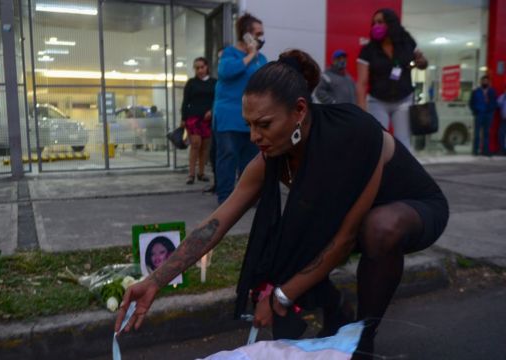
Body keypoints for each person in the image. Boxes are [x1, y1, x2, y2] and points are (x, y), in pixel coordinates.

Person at [116, 49, 449, 359]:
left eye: (264, 124)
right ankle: (336, 310)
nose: (254, 137)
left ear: (299, 111)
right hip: (351, 221)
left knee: (378, 227)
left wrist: (281, 294)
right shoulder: (269, 157)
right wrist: (155, 280)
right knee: (287, 244)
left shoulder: (355, 132)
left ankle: (363, 337)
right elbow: (216, 223)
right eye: (249, 125)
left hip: (411, 211)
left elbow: (344, 240)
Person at [212, 13, 267, 204]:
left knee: (251, 161)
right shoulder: (229, 53)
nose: (261, 37)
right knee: (228, 158)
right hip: (229, 118)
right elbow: (226, 72)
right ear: (246, 35)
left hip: (251, 120)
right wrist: (250, 54)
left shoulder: (262, 59)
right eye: (258, 33)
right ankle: (225, 198)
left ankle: (247, 198)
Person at [356, 8, 428, 151]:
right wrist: (361, 111)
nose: (376, 26)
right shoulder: (368, 50)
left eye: (380, 22)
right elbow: (361, 83)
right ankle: (381, 173)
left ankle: (405, 173)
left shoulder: (407, 42)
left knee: (403, 142)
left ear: (391, 23)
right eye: (374, 23)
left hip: (403, 100)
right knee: (379, 142)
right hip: (377, 102)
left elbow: (423, 64)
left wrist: (422, 61)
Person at [181, 57, 217, 184]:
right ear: (194, 69)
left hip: (208, 118)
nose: (200, 70)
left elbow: (217, 99)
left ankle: (201, 173)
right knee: (196, 144)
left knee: (205, 147)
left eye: (202, 67)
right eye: (197, 68)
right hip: (193, 118)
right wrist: (183, 118)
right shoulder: (191, 83)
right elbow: (185, 102)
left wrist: (212, 111)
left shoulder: (214, 82)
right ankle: (191, 174)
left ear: (207, 67)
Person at [469, 75, 498, 156]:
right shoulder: (476, 91)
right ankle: (475, 150)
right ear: (481, 82)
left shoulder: (492, 91)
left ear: (488, 82)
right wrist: (475, 111)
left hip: (488, 114)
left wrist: (491, 111)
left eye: (486, 81)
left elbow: (494, 102)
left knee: (486, 133)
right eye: (483, 81)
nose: (485, 82)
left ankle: (485, 151)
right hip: (479, 114)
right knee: (477, 133)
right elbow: (471, 102)